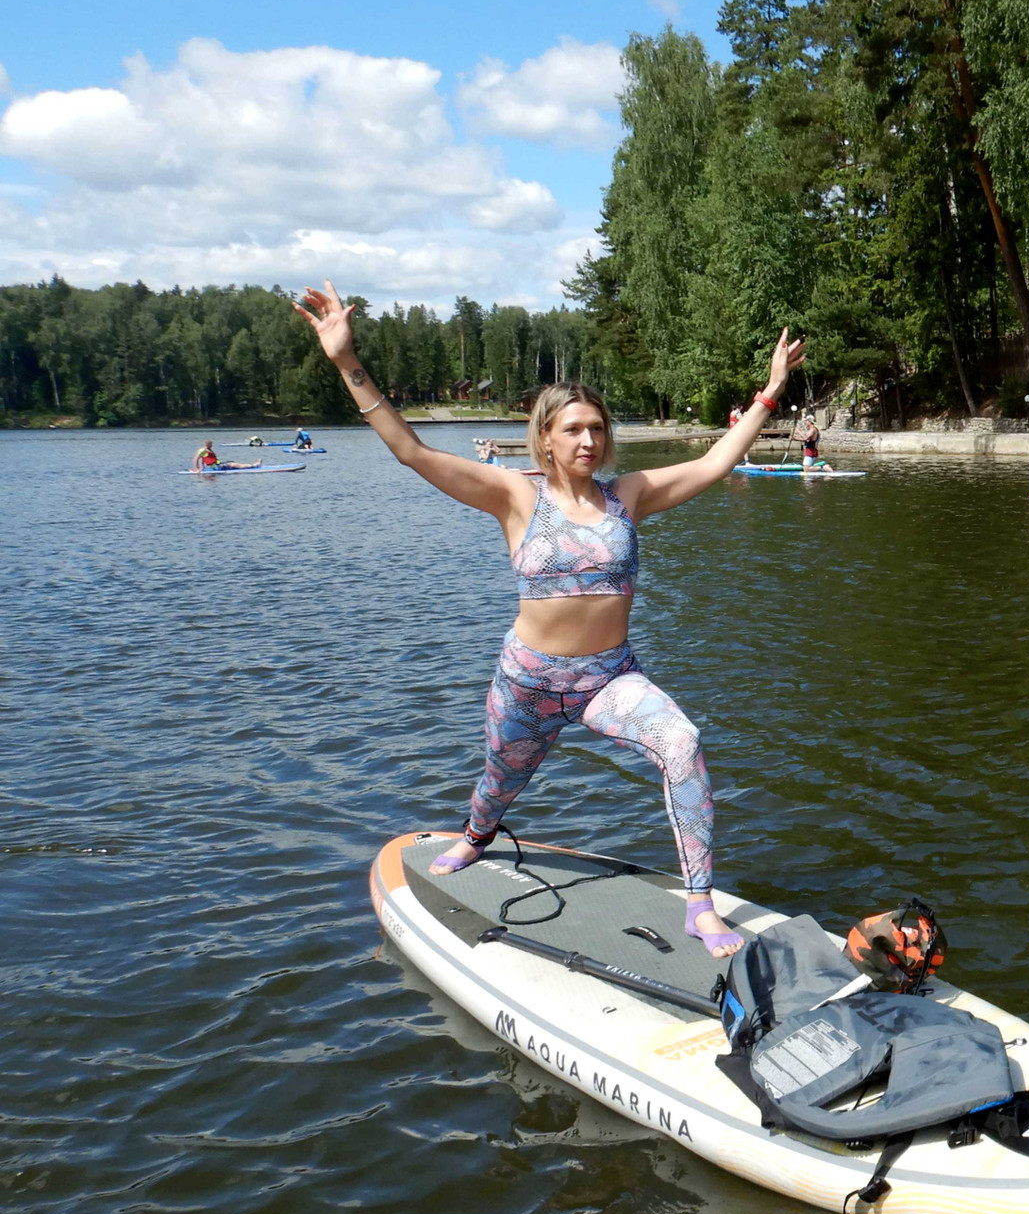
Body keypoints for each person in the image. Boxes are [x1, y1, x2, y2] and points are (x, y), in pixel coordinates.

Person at [294, 279, 807, 957]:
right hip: (529, 683)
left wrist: (770, 391)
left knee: (681, 743)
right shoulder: (512, 496)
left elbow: (716, 461)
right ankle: (477, 836)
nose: (589, 439)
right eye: (574, 429)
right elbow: (413, 451)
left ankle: (701, 904)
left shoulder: (630, 496)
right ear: (546, 437)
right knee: (497, 784)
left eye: (597, 428)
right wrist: (346, 363)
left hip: (607, 680)